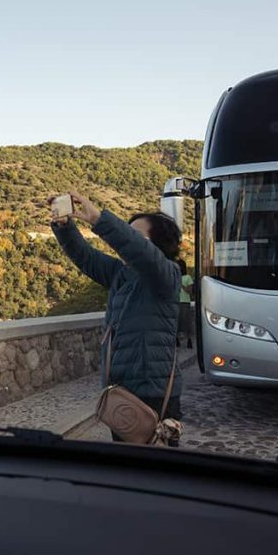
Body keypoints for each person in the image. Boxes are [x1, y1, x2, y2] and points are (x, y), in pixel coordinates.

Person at [50, 190, 183, 444]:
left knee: (158, 473)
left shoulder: (167, 276)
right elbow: (85, 257)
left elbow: (142, 253)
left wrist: (100, 219)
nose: (129, 239)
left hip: (154, 392)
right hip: (120, 391)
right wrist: (65, 227)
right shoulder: (121, 274)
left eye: (136, 234)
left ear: (156, 246)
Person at [176, 258, 195, 349]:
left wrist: (182, 285)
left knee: (186, 322)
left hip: (185, 302)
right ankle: (177, 340)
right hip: (176, 302)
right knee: (177, 322)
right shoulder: (175, 277)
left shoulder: (188, 277)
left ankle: (189, 340)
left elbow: (190, 291)